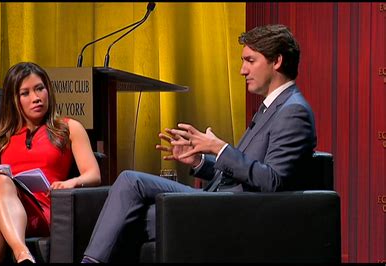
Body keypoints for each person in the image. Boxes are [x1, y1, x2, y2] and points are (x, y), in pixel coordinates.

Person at [81, 24, 317, 263]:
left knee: (132, 188)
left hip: (235, 212)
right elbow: (241, 172)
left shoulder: (292, 111)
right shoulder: (272, 108)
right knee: (133, 202)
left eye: (250, 60)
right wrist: (199, 160)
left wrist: (219, 148)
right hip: (219, 200)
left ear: (276, 61)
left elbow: (273, 181)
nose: (242, 70)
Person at [0, 62, 101, 263]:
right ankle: (22, 253)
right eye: (25, 93)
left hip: (38, 211)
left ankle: (21, 253)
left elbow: (93, 174)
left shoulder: (68, 128)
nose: (36, 98)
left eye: (40, 89)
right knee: (0, 182)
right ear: (13, 100)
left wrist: (71, 182)